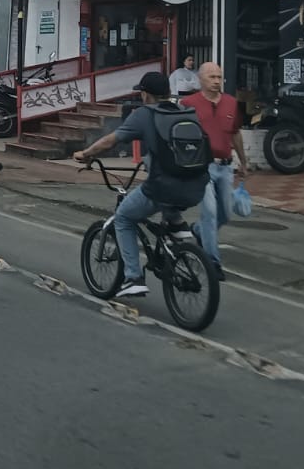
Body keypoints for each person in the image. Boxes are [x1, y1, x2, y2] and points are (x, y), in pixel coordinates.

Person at [73, 70, 212, 298]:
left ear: (146, 95)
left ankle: (133, 278)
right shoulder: (186, 111)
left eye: (142, 93)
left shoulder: (144, 115)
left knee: (124, 217)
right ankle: (178, 229)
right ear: (167, 92)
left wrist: (86, 153)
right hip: (195, 186)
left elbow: (111, 140)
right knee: (169, 204)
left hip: (162, 187)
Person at [180, 61, 249, 281]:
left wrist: (243, 162)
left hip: (225, 166)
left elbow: (236, 133)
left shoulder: (231, 103)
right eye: (212, 77)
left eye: (219, 77)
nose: (217, 81)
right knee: (209, 212)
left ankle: (199, 232)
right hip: (201, 167)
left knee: (225, 214)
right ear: (200, 79)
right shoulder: (188, 103)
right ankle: (212, 262)